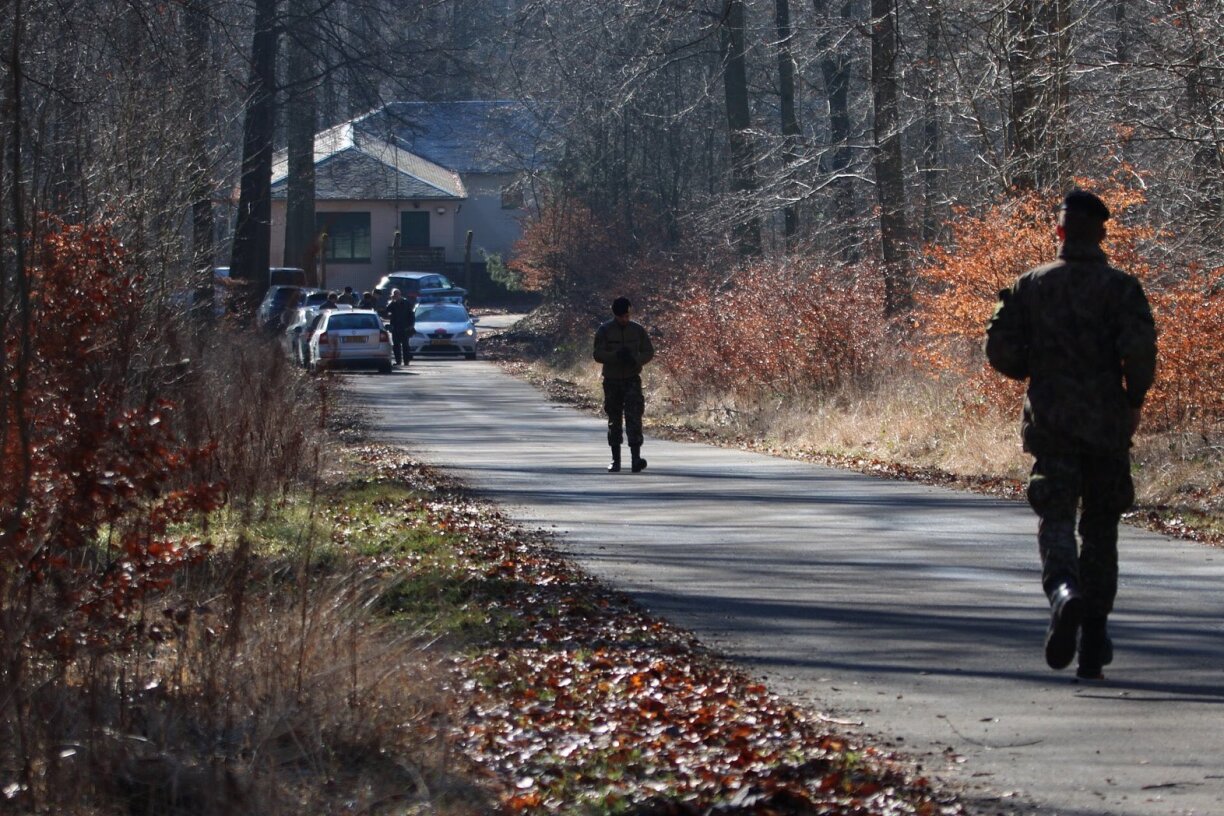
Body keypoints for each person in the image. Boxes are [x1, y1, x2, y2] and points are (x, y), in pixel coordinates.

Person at [984, 189, 1157, 680]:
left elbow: (998, 350)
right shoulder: (1122, 288)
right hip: (1106, 424)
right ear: (1101, 233)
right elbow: (1141, 351)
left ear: (1058, 233)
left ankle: (1064, 592)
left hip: (1052, 422)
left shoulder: (1029, 286)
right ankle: (1094, 638)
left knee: (1056, 516)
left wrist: (1032, 369)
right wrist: (1134, 400)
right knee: (1101, 528)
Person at [593, 296, 655, 472]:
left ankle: (636, 458)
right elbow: (597, 353)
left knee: (634, 417)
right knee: (614, 418)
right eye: (622, 317)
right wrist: (615, 356)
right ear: (616, 315)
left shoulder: (637, 330)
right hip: (612, 380)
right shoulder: (604, 330)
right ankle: (616, 460)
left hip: (632, 379)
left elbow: (649, 352)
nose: (625, 319)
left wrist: (636, 360)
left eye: (627, 316)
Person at [385, 288, 416, 367]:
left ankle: (406, 361)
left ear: (400, 294)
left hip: (405, 328)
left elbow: (411, 315)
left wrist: (411, 325)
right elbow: (386, 311)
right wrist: (391, 302)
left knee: (405, 345)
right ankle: (398, 361)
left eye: (397, 294)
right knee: (396, 346)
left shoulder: (406, 303)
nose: (396, 296)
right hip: (395, 328)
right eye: (394, 295)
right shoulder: (392, 304)